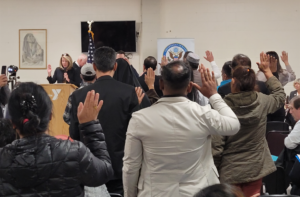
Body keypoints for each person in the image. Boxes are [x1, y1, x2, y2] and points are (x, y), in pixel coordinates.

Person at [123, 61, 240, 197]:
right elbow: (234, 125)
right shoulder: (204, 114)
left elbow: (131, 166)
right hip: (198, 192)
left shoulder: (140, 119)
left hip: (155, 192)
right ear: (190, 87)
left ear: (161, 84)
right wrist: (214, 95)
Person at [0, 82, 113, 196]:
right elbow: (104, 173)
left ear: (12, 122)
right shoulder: (73, 152)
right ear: (50, 115)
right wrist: (89, 125)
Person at [69, 46, 141, 195]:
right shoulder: (129, 93)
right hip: (120, 166)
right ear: (115, 65)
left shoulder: (79, 95)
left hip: (90, 166)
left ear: (94, 67)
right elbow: (136, 132)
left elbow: (74, 133)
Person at [215, 52, 286, 197]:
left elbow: (217, 145)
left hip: (230, 169)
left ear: (233, 82)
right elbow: (279, 95)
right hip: (256, 167)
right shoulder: (262, 101)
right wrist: (267, 72)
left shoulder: (222, 106)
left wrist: (215, 169)